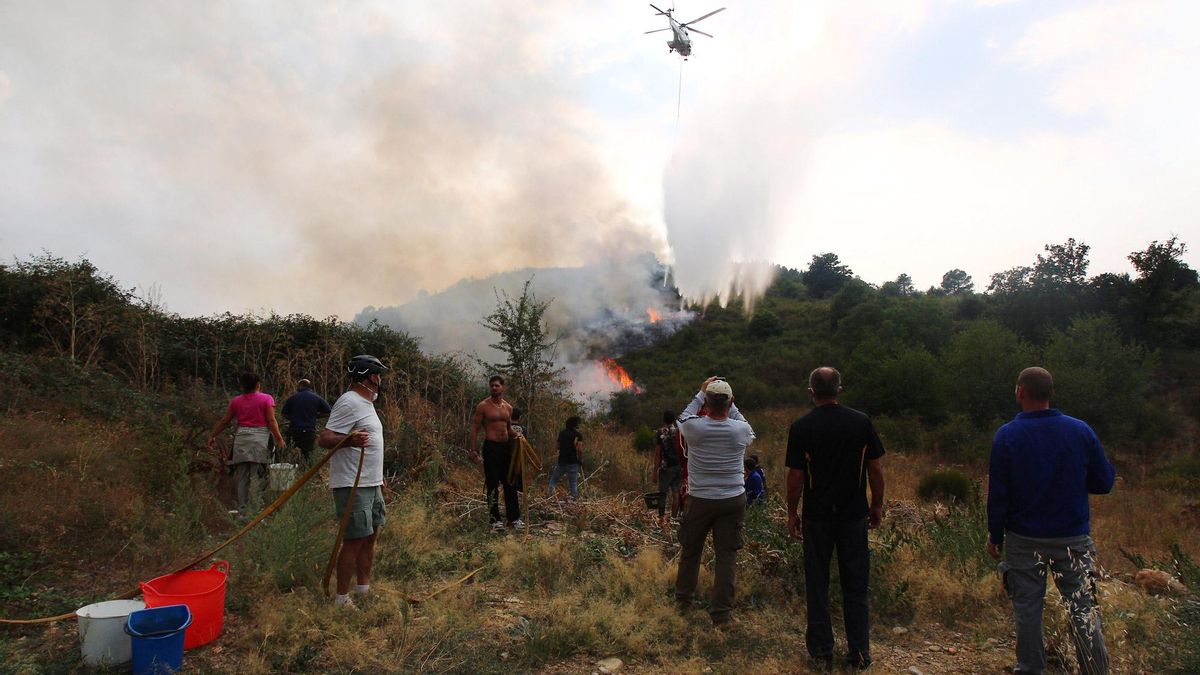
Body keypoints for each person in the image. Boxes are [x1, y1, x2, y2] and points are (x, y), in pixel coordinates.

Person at [987, 367, 1115, 675]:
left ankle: (1030, 668)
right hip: (1073, 538)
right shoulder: (1080, 430)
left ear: (1020, 392)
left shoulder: (1007, 435)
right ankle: (1095, 670)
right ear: (1050, 393)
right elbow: (1104, 482)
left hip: (1024, 538)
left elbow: (998, 493)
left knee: (1028, 607)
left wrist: (995, 535)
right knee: (1082, 607)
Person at [786, 367, 885, 671]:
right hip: (853, 515)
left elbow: (796, 477)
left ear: (811, 392)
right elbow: (876, 470)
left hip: (817, 517)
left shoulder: (802, 426)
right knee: (855, 585)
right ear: (840, 390)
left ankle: (821, 653)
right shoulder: (861, 422)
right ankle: (858, 654)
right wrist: (876, 505)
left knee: (817, 583)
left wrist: (792, 511)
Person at [675, 376, 756, 626]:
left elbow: (682, 417)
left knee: (690, 551)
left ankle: (683, 603)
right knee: (726, 557)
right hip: (732, 498)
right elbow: (745, 424)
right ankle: (721, 614)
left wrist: (700, 393)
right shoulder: (740, 430)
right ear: (730, 402)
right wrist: (730, 403)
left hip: (699, 499)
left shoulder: (694, 427)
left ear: (706, 404)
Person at [318, 355, 389, 610]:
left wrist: (379, 479)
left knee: (370, 537)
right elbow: (324, 438)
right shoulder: (349, 402)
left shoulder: (367, 403)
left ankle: (363, 590)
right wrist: (349, 440)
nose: (381, 380)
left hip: (370, 483)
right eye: (379, 375)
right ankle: (341, 599)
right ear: (371, 376)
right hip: (352, 483)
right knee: (355, 539)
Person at [207, 372, 285, 514]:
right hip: (260, 439)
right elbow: (271, 420)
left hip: (241, 439)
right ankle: (254, 510)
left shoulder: (236, 401)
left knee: (242, 476)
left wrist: (212, 435)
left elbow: (225, 421)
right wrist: (279, 438)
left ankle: (242, 509)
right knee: (257, 476)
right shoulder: (266, 399)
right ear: (258, 385)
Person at [470, 375, 523, 530]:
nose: (494, 388)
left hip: (506, 448)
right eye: (492, 385)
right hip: (491, 448)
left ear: (502, 387)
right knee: (492, 484)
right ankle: (495, 520)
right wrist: (473, 449)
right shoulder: (483, 406)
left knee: (510, 483)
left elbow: (508, 429)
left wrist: (518, 436)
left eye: (497, 385)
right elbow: (475, 428)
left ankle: (514, 519)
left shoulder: (508, 407)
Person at [280, 378, 332, 466]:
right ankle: (308, 474)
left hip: (294, 430)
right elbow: (328, 412)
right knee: (308, 456)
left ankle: (288, 471)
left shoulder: (293, 398)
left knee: (287, 453)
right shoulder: (317, 398)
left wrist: (293, 418)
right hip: (309, 431)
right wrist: (315, 416)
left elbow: (284, 414)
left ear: (301, 386)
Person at [653, 410, 682, 525]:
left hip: (666, 468)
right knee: (676, 493)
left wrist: (655, 472)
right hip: (678, 467)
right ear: (674, 419)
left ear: (664, 420)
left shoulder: (661, 432)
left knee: (662, 494)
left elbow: (657, 453)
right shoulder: (679, 431)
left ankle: (661, 520)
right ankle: (673, 519)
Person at [548, 416, 583, 500]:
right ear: (575, 425)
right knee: (573, 483)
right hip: (573, 462)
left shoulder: (562, 433)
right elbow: (579, 449)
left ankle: (550, 497)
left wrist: (558, 451)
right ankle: (574, 501)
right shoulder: (578, 435)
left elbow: (558, 446)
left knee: (553, 481)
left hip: (562, 462)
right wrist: (580, 460)